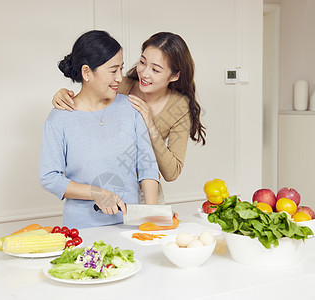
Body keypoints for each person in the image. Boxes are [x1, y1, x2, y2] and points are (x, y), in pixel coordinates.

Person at [52, 32, 206, 203]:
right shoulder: (118, 85)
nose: (144, 73)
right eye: (142, 62)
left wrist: (151, 127)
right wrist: (63, 95)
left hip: (146, 194)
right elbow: (88, 97)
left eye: (155, 70)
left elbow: (171, 172)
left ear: (174, 76)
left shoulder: (178, 107)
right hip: (104, 191)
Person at [39, 30, 159, 229]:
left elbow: (148, 166)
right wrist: (97, 193)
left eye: (121, 69)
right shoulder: (59, 118)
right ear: (87, 72)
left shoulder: (131, 108)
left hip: (130, 226)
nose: (119, 78)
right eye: (113, 71)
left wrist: (152, 218)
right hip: (83, 230)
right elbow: (50, 178)